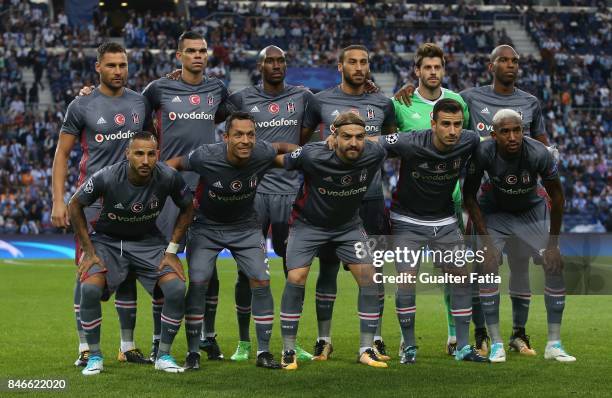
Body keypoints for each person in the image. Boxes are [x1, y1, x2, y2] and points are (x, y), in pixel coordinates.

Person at [166, 112, 298, 370]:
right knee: (199, 282)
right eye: (238, 134)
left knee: (261, 280)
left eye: (250, 134)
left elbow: (282, 148)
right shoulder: (205, 155)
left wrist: (309, 150)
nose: (245, 140)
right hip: (206, 227)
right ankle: (194, 352)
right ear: (225, 137)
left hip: (246, 227)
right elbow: (175, 164)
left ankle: (263, 352)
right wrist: (159, 182)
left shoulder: (261, 152)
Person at [52, 42, 152, 367]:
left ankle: (127, 345)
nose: (118, 71)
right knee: (87, 273)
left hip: (132, 201)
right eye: (111, 65)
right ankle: (84, 346)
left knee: (129, 271)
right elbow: (62, 153)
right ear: (98, 67)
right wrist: (58, 200)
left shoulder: (140, 101)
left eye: (123, 65)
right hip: (91, 204)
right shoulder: (81, 105)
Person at [68, 132, 194, 375]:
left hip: (148, 243)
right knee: (90, 289)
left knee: (177, 289)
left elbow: (188, 206)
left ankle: (163, 355)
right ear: (128, 155)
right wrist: (89, 250)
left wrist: (172, 250)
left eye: (151, 154)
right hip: (108, 242)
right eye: (139, 153)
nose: (145, 160)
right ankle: (94, 356)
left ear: (157, 154)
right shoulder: (107, 176)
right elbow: (75, 204)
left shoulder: (168, 176)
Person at [301, 45, 397, 361]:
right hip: (331, 201)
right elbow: (306, 147)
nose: (359, 67)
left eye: (364, 62)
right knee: (327, 270)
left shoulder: (383, 103)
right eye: (352, 62)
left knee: (374, 271)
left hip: (370, 199)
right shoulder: (320, 101)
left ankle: (375, 339)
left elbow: (392, 145)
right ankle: (323, 339)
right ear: (340, 66)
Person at [376, 99, 488, 364]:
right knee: (406, 279)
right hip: (406, 220)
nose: (452, 131)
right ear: (433, 124)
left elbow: (492, 145)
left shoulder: (469, 140)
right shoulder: (410, 141)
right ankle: (410, 346)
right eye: (446, 124)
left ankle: (462, 346)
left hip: (445, 220)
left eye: (457, 124)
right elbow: (373, 142)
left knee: (461, 276)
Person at [224, 45, 315, 361]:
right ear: (259, 66)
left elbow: (330, 108)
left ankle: (291, 341)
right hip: (254, 195)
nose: (277, 65)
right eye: (270, 61)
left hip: (291, 195)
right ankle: (244, 342)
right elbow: (206, 111)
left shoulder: (303, 97)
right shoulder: (242, 99)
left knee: (295, 270)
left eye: (281, 60)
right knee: (246, 271)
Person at [463, 109, 575, 363]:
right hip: (495, 210)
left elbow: (557, 197)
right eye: (505, 132)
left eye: (518, 130)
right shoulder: (483, 152)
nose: (513, 136)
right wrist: (487, 243)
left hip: (531, 211)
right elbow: (469, 195)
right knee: (487, 263)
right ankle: (496, 343)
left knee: (554, 264)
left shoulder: (539, 153)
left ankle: (554, 344)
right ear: (493, 135)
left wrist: (553, 244)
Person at [280, 111, 388, 370]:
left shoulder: (375, 153)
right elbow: (281, 160)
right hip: (308, 225)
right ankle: (288, 350)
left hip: (348, 225)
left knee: (371, 278)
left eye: (359, 137)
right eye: (347, 137)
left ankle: (366, 349)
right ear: (334, 137)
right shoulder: (312, 154)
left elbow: (394, 140)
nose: (354, 143)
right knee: (296, 279)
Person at [391, 42, 470, 355]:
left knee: (454, 275)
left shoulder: (457, 101)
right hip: (411, 203)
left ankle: (454, 337)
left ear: (443, 70)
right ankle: (406, 341)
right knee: (407, 279)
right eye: (427, 67)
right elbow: (387, 138)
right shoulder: (401, 103)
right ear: (417, 71)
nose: (433, 72)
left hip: (450, 203)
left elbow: (468, 144)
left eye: (438, 67)